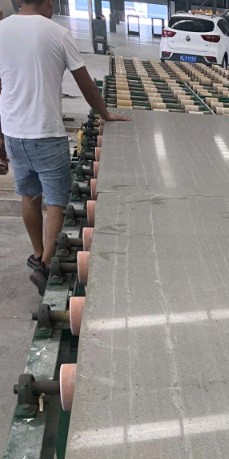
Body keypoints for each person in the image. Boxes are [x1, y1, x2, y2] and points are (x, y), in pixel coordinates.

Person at [0, 0, 129, 293]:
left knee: (29, 195)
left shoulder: (2, 30)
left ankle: (37, 253)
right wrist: (105, 113)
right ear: (47, 3)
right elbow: (85, 83)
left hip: (14, 132)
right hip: (46, 132)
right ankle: (46, 264)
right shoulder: (56, 34)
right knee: (57, 201)